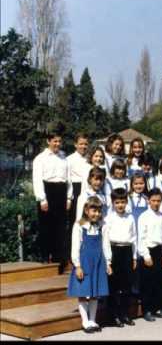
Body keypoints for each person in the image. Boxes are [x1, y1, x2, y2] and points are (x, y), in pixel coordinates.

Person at [67, 196, 111, 333]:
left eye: (99, 211)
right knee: (83, 291)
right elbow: (75, 246)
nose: (96, 214)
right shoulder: (79, 225)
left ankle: (93, 320)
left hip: (98, 261)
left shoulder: (102, 226)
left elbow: (106, 245)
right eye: (93, 211)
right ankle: (85, 321)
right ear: (86, 210)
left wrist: (108, 262)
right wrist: (78, 265)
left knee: (94, 292)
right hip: (84, 261)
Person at [32, 128, 72, 270]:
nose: (57, 144)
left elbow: (68, 180)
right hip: (47, 192)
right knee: (46, 227)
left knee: (60, 227)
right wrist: (42, 199)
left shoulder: (64, 158)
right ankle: (44, 257)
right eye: (55, 141)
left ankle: (57, 258)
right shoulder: (40, 159)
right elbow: (37, 180)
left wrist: (69, 198)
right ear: (48, 141)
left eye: (59, 141)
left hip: (61, 192)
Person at [104, 188, 137, 327]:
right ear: (112, 203)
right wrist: (108, 261)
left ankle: (125, 314)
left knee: (127, 285)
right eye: (117, 202)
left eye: (123, 202)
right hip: (114, 250)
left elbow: (134, 237)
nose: (120, 205)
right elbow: (105, 240)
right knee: (114, 286)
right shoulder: (108, 218)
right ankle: (114, 315)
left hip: (127, 251)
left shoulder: (130, 217)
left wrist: (134, 257)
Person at [137, 188, 162, 321]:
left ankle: (158, 308)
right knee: (148, 283)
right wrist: (146, 255)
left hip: (160, 251)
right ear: (148, 201)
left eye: (158, 201)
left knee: (160, 282)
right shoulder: (144, 217)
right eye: (153, 201)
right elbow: (141, 237)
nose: (156, 203)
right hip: (149, 251)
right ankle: (147, 310)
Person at [67, 133, 89, 250]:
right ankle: (73, 250)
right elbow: (68, 180)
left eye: (86, 144)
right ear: (75, 144)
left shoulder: (89, 159)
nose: (83, 146)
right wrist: (69, 197)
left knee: (85, 218)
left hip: (87, 189)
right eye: (81, 144)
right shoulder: (69, 159)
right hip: (75, 190)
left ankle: (84, 246)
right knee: (75, 221)